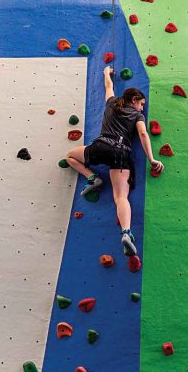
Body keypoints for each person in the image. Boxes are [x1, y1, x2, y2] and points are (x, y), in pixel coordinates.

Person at [65, 66, 164, 257]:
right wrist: (151, 159)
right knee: (120, 197)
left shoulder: (111, 103)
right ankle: (126, 233)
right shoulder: (137, 115)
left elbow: (108, 87)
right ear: (134, 100)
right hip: (121, 153)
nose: (142, 108)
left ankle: (92, 177)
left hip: (101, 146)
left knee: (70, 156)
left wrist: (105, 72)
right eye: (141, 103)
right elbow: (143, 134)